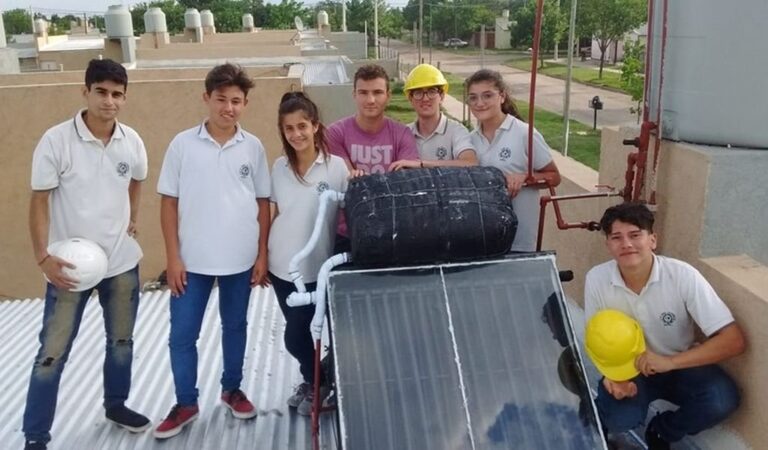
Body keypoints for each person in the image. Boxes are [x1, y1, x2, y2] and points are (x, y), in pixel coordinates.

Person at [24, 58, 150, 450]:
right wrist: (43, 257)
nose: (108, 101)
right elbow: (39, 200)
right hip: (69, 267)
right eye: (101, 92)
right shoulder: (56, 140)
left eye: (117, 94)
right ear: (86, 91)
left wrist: (131, 219)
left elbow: (136, 182)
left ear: (124, 98)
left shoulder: (131, 141)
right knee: (52, 353)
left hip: (121, 263)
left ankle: (116, 405)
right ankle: (36, 436)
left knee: (121, 342)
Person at [154, 63, 271, 439]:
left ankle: (232, 389)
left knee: (235, 327)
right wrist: (173, 258)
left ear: (245, 104)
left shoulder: (252, 147)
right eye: (221, 99)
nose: (229, 108)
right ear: (207, 98)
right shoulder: (182, 145)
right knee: (182, 335)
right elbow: (168, 203)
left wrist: (261, 255)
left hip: (239, 260)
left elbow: (263, 203)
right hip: (192, 263)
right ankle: (186, 402)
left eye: (237, 101)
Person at [584, 202, 746, 450]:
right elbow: (594, 337)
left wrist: (670, 362)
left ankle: (662, 431)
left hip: (680, 363)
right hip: (630, 370)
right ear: (608, 245)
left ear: (653, 240)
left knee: (722, 399)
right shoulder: (597, 279)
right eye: (616, 237)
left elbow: (733, 340)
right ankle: (599, 420)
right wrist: (612, 378)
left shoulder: (682, 275)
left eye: (635, 235)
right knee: (620, 418)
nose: (626, 244)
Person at [268, 91, 359, 416]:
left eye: (302, 126)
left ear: (316, 126)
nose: (296, 134)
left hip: (317, 270)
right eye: (289, 128)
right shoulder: (279, 167)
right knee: (297, 334)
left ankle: (320, 382)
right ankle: (316, 383)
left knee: (298, 337)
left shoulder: (336, 168)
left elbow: (354, 209)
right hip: (280, 267)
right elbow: (271, 214)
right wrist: (261, 259)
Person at [465, 69, 561, 252]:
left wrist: (525, 176)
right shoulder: (469, 140)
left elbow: (554, 177)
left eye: (487, 96)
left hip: (519, 241)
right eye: (473, 97)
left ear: (502, 96)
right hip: (482, 238)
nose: (480, 103)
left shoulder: (525, 133)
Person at [326, 64, 419, 251]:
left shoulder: (402, 134)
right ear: (354, 95)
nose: (370, 100)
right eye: (363, 92)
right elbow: (347, 180)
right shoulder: (335, 132)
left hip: (392, 230)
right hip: (347, 232)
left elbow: (404, 185)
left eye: (377, 92)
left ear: (388, 95)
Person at [390, 63, 478, 170]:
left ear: (442, 96)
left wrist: (422, 164)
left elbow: (470, 162)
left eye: (432, 92)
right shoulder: (404, 133)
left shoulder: (456, 131)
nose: (425, 99)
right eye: (418, 93)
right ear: (410, 99)